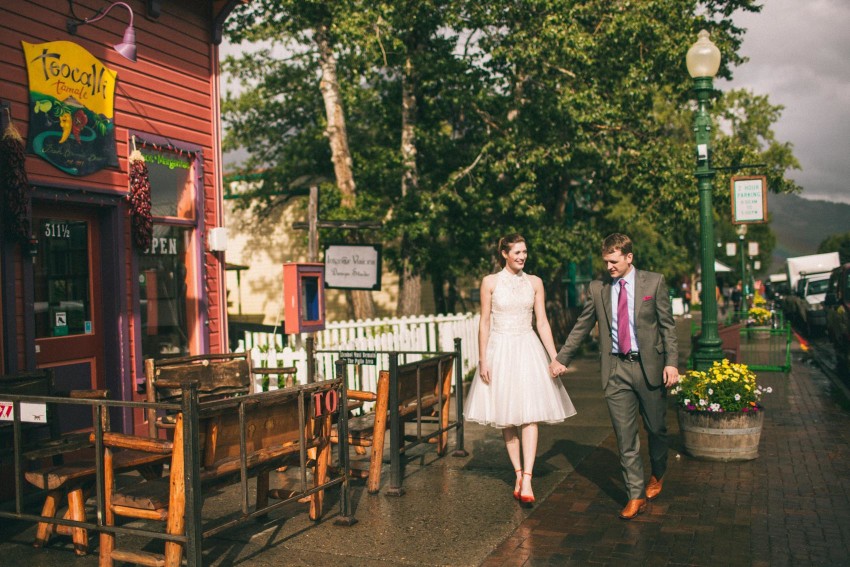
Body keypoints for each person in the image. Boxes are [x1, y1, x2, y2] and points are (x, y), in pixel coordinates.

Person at [548, 233, 678, 520]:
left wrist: (672, 363)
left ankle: (658, 472)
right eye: (605, 261)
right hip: (615, 370)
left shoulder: (653, 282)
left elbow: (667, 327)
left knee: (656, 428)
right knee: (625, 436)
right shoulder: (598, 288)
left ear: (629, 257)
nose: (608, 267)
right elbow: (582, 327)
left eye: (613, 261)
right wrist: (561, 359)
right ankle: (635, 495)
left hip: (650, 368)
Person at [465, 233, 577, 507]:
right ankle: (517, 472)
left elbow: (542, 323)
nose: (522, 256)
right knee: (507, 417)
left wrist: (554, 357)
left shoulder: (535, 283)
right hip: (500, 350)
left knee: (530, 415)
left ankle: (527, 477)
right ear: (504, 253)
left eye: (524, 252)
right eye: (516, 252)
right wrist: (483, 359)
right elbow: (484, 323)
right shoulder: (490, 282)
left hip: (528, 349)